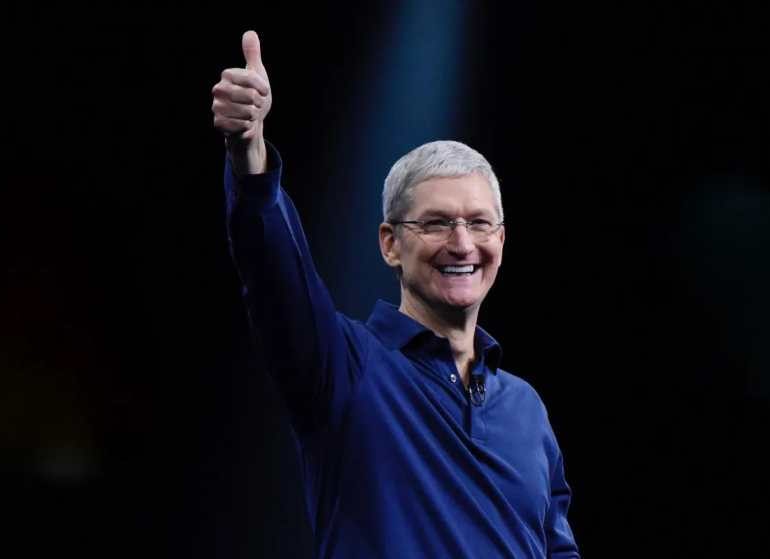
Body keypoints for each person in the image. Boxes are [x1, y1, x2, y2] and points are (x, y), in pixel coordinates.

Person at [211, 30, 580, 558]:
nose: (461, 243)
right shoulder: (343, 368)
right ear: (390, 244)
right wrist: (249, 155)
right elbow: (275, 274)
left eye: (479, 223)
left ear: (500, 240)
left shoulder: (527, 408)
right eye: (436, 223)